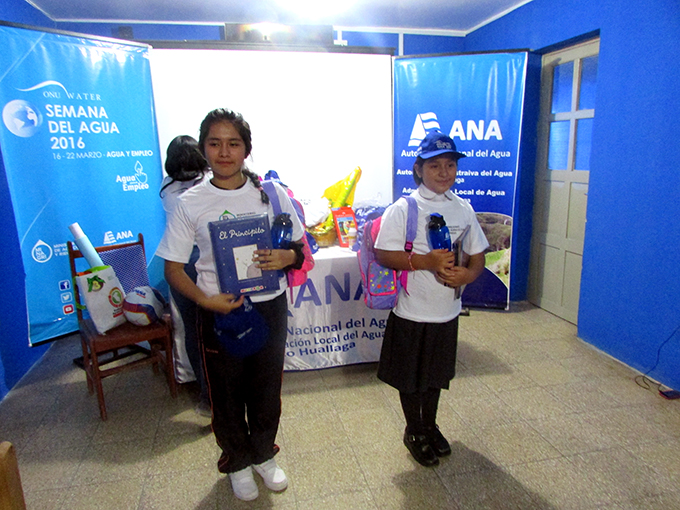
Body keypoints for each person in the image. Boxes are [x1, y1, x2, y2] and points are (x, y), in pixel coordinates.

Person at [156, 108, 306, 501]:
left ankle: (263, 454)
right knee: (225, 392)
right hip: (220, 311)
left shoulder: (272, 195)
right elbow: (173, 269)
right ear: (204, 149)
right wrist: (205, 300)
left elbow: (300, 249)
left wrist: (287, 257)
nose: (224, 152)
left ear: (246, 150)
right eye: (215, 143)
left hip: (269, 307)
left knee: (266, 388)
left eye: (233, 143)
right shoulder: (191, 202)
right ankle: (237, 461)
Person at [374, 130, 489, 467]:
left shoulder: (463, 208)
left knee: (436, 376)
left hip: (446, 312)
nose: (444, 172)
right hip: (412, 312)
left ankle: (430, 425)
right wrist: (426, 262)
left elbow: (478, 255)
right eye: (435, 165)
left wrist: (467, 276)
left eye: (450, 165)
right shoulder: (404, 209)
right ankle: (414, 430)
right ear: (419, 169)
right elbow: (383, 254)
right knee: (411, 379)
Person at [160, 135, 211, 417]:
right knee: (213, 327)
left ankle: (207, 397)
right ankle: (218, 393)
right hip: (200, 258)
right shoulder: (206, 183)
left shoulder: (167, 187)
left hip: (178, 260)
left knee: (193, 330)